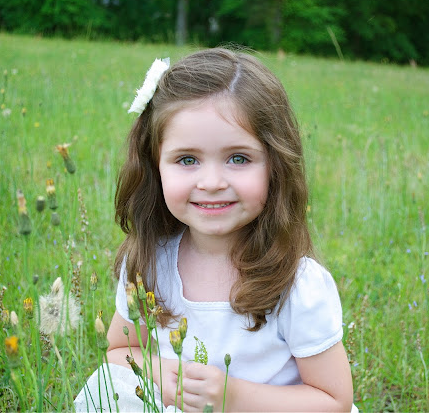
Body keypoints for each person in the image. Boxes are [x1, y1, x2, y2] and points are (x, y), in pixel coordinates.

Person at [74, 48, 355, 412]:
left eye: (238, 158)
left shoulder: (296, 284)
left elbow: (334, 401)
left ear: (276, 165)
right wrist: (161, 373)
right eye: (187, 159)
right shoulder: (150, 262)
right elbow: (120, 350)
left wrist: (231, 397)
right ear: (155, 167)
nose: (211, 182)